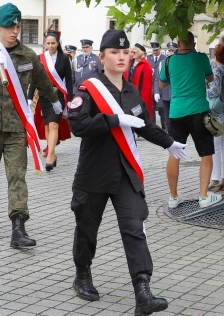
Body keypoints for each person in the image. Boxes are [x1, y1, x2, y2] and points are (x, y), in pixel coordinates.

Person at [68, 29, 186, 315]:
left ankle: (142, 291)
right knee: (87, 230)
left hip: (125, 174)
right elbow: (78, 126)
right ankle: (82, 274)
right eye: (114, 53)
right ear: (102, 57)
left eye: (125, 53)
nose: (122, 57)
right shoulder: (88, 88)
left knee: (135, 228)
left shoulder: (131, 90)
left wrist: (169, 142)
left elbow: (144, 124)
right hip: (94, 173)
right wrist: (112, 119)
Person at [0, 2, 61, 248]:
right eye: (9, 27)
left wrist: (55, 103)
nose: (14, 31)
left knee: (17, 177)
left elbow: (43, 82)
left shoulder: (27, 56)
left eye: (17, 26)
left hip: (15, 127)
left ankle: (18, 227)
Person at [159, 31, 223, 208]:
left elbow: (162, 84)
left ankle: (173, 197)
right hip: (199, 113)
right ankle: (203, 197)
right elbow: (210, 78)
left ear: (178, 44)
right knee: (206, 153)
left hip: (176, 113)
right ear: (193, 44)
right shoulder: (201, 58)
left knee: (174, 153)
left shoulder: (169, 61)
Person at [28, 31, 73, 170]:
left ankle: (49, 157)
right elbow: (35, 79)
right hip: (44, 96)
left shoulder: (64, 59)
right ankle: (52, 154)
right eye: (48, 43)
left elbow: (69, 80)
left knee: (54, 125)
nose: (51, 46)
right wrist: (29, 97)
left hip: (59, 95)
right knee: (47, 126)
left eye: (53, 43)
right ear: (45, 44)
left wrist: (70, 99)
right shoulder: (40, 58)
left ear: (58, 44)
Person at [207, 43, 224, 192]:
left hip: (219, 114)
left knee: (216, 146)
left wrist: (206, 91)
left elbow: (214, 91)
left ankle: (216, 178)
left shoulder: (218, 71)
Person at [124, 43, 153, 120]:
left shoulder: (146, 65)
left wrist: (142, 99)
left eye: (134, 52)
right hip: (128, 92)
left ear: (140, 53)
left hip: (139, 94)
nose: (132, 54)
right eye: (132, 52)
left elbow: (147, 85)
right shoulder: (130, 62)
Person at [154, 41, 177, 132]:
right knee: (166, 115)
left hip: (176, 93)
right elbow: (157, 78)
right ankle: (168, 131)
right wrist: (156, 91)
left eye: (173, 50)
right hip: (165, 93)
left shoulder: (179, 62)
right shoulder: (162, 63)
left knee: (175, 115)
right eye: (170, 50)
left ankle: (175, 130)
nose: (171, 52)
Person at [147, 41, 166, 127]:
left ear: (160, 49)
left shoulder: (164, 58)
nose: (155, 51)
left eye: (156, 50)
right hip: (150, 86)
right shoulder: (148, 58)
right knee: (151, 108)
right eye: (153, 50)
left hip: (160, 86)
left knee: (162, 108)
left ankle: (164, 126)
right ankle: (153, 126)